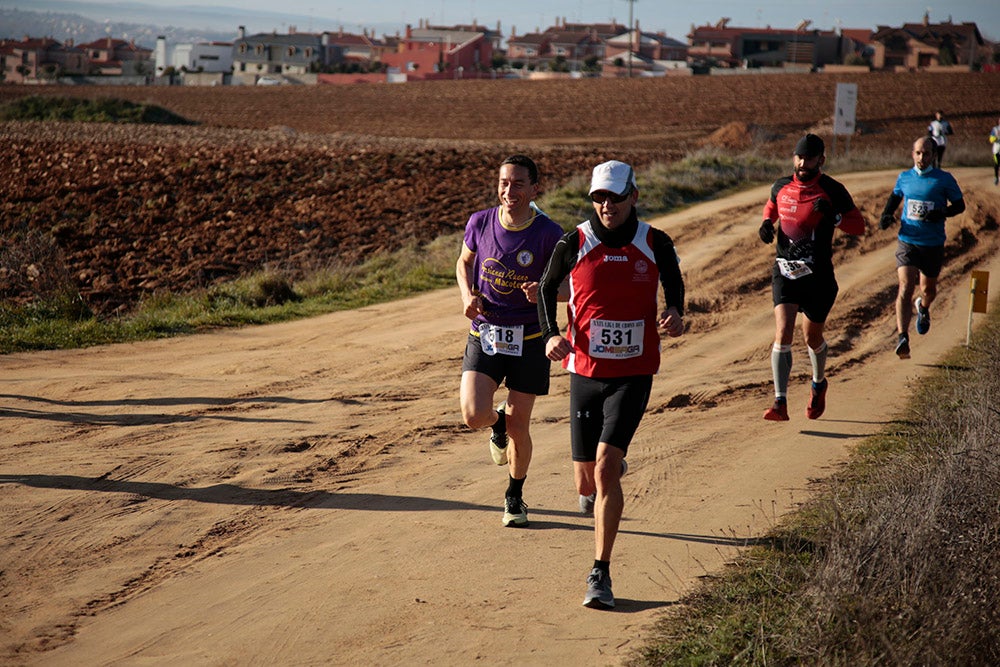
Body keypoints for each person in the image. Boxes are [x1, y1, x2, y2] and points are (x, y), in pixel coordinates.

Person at [537, 160, 685, 609]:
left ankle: (600, 572)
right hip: (584, 372)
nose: (606, 205)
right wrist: (550, 336)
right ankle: (608, 476)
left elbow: (674, 282)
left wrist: (676, 312)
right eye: (599, 197)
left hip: (634, 372)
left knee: (602, 468)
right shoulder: (574, 241)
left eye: (615, 198)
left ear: (632, 197)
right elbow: (546, 288)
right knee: (587, 481)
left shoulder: (655, 241)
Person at [457, 154, 565, 528]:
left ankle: (514, 495)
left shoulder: (550, 233)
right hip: (485, 333)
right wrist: (466, 296)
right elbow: (464, 261)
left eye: (518, 183)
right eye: (504, 182)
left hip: (531, 339)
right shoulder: (480, 222)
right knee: (473, 415)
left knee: (522, 426)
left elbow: (572, 286)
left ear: (535, 189)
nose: (509, 190)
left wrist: (546, 292)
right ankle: (495, 423)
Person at [757, 134, 865, 421]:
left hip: (818, 278)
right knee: (783, 332)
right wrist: (767, 223)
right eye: (800, 157)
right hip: (785, 272)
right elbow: (772, 206)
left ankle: (819, 383)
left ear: (822, 160)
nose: (804, 163)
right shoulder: (781, 185)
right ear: (794, 157)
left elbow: (859, 226)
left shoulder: (832, 190)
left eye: (810, 158)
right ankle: (780, 402)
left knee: (812, 336)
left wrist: (835, 217)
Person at [879, 136, 965, 359]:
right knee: (905, 286)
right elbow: (895, 196)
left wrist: (942, 212)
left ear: (933, 156)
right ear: (912, 154)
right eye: (917, 153)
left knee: (928, 290)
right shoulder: (904, 177)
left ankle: (924, 307)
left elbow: (959, 205)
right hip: (908, 240)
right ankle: (902, 337)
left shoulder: (944, 179)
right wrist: (887, 215)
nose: (921, 157)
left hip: (933, 243)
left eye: (926, 153)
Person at [990, 117, 1000, 186]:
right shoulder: (995, 129)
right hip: (997, 149)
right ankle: (996, 177)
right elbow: (991, 139)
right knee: (997, 163)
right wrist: (996, 138)